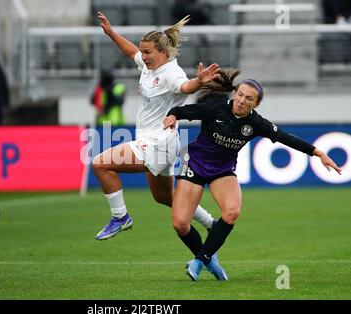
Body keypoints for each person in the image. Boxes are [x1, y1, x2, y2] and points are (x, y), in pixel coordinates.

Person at [163, 70, 342, 281]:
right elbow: (183, 110)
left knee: (231, 212)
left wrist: (319, 153)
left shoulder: (256, 123)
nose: (241, 100)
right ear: (235, 94)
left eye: (248, 98)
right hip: (194, 164)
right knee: (180, 223)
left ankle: (200, 260)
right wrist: (173, 116)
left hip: (222, 171)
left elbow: (286, 138)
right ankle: (208, 259)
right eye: (240, 94)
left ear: (255, 105)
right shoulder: (215, 107)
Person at [92, 11, 221, 244]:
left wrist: (199, 82)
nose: (143, 55)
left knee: (100, 164)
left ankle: (120, 217)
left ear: (163, 52)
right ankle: (212, 224)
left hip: (157, 142)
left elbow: (185, 87)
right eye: (143, 51)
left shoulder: (171, 73)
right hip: (159, 143)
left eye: (148, 52)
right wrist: (111, 32)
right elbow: (131, 51)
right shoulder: (149, 65)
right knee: (165, 198)